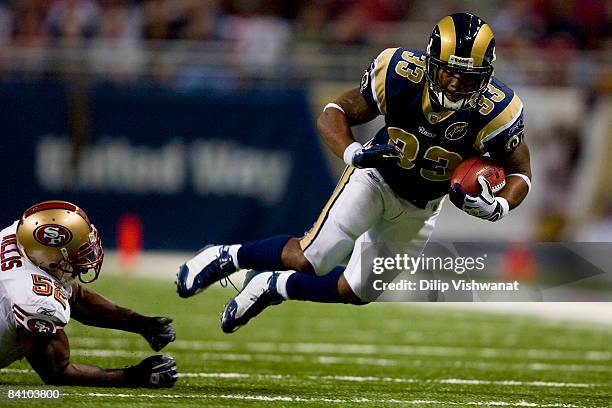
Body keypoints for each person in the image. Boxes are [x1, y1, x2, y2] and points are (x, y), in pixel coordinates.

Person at [176, 13, 532, 332]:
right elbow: (333, 112)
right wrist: (354, 152)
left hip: (422, 205)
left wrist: (499, 205)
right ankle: (225, 256)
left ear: (485, 77)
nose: (455, 85)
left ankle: (272, 286)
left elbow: (521, 173)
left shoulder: (498, 111)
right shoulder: (398, 74)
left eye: (467, 78)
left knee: (358, 291)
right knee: (312, 257)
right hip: (377, 178)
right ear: (430, 62)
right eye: (449, 72)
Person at [0, 200, 178, 387]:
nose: (87, 258)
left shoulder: (20, 238)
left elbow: (76, 298)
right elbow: (57, 372)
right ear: (50, 259)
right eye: (77, 252)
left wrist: (140, 323)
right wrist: (135, 376)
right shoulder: (33, 299)